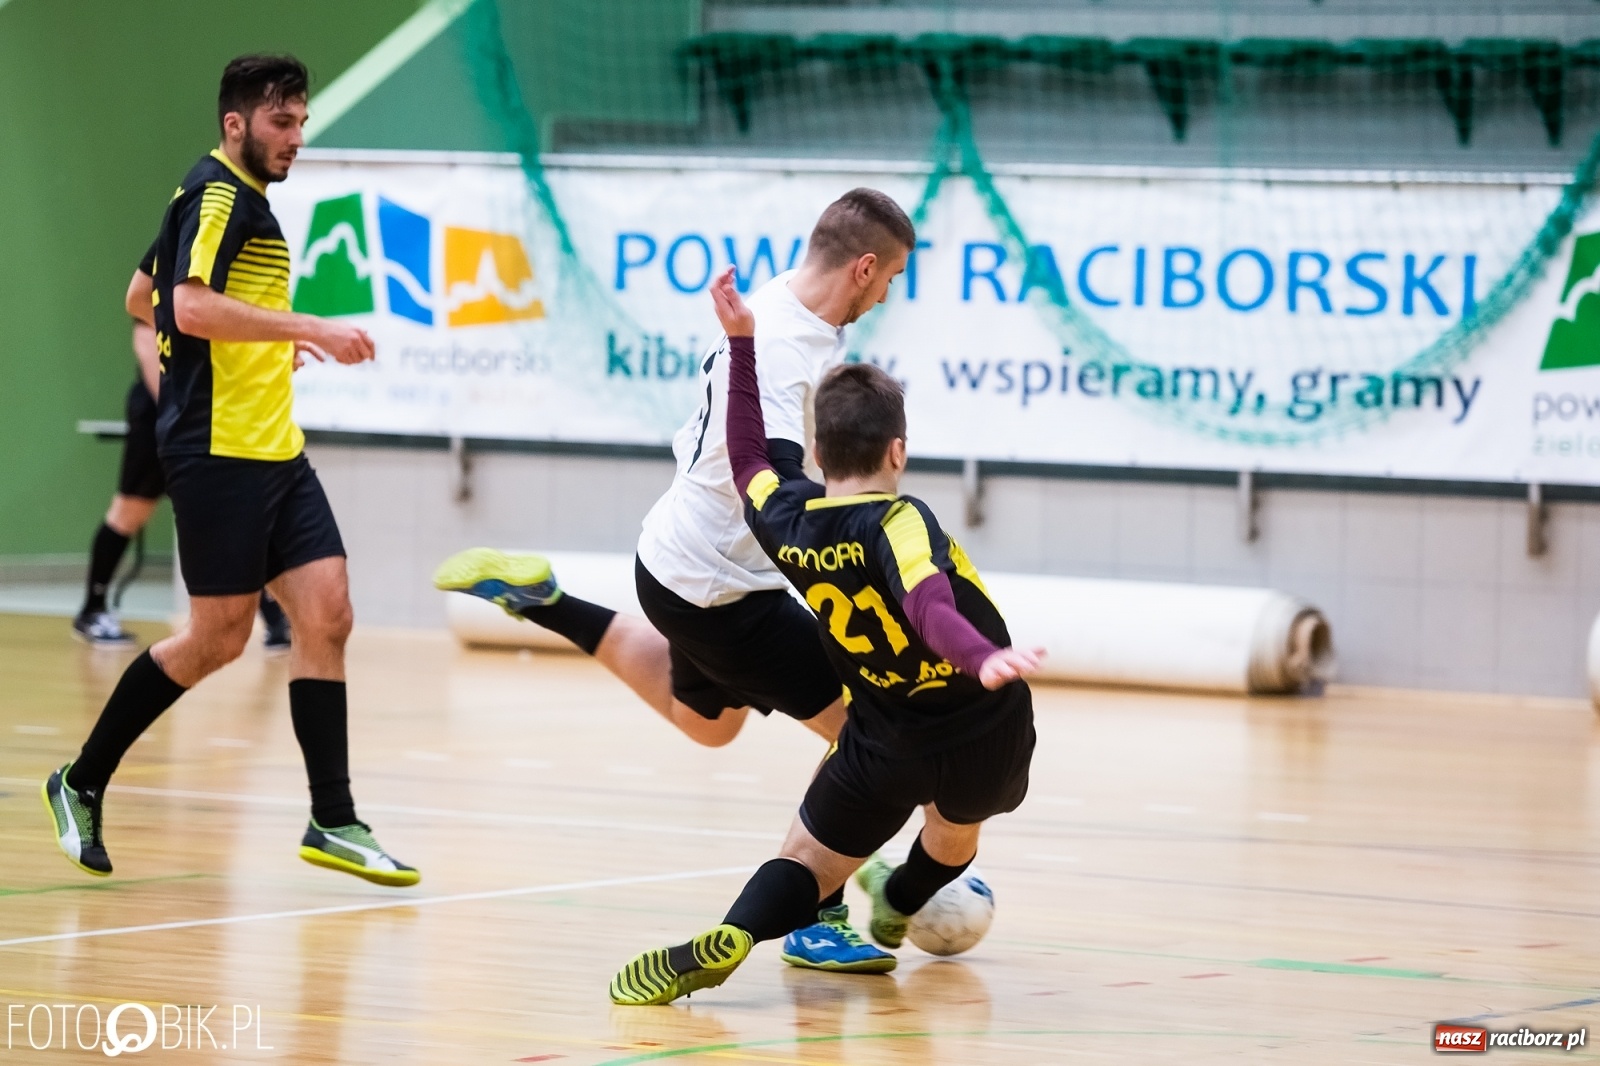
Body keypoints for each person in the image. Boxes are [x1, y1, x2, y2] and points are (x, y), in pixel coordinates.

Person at [434, 189, 916, 971]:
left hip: (670, 562)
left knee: (708, 722)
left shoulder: (776, 309)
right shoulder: (788, 356)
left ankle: (548, 603)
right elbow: (778, 500)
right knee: (865, 726)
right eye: (890, 277)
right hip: (725, 589)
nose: (889, 293)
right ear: (863, 267)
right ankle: (816, 912)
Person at [607, 269, 1041, 1005]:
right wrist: (982, 656)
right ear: (896, 453)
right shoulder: (901, 521)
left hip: (883, 742)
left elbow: (746, 448)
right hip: (983, 726)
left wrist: (742, 343)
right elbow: (930, 604)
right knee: (955, 837)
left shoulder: (788, 521)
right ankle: (902, 901)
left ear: (817, 448)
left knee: (807, 861)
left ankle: (738, 934)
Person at [42, 54, 417, 887]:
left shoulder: (221, 198)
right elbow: (182, 305)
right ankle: (80, 779)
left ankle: (334, 818)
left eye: (301, 123)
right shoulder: (216, 195)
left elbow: (142, 294)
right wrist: (306, 327)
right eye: (282, 124)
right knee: (219, 638)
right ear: (236, 125)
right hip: (216, 454)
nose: (296, 139)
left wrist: (258, 354)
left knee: (329, 612)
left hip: (273, 448)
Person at [73, 254, 289, 651]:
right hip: (163, 415)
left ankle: (275, 619)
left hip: (204, 416)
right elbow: (146, 346)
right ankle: (92, 608)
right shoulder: (170, 260)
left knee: (231, 512)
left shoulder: (221, 271)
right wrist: (180, 414)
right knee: (131, 510)